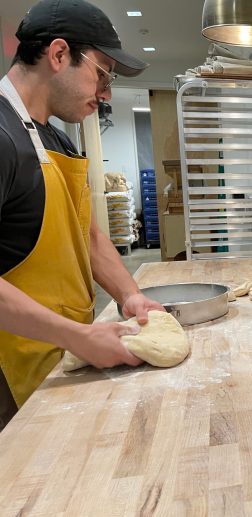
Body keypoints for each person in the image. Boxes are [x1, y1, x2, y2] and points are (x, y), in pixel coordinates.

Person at [0, 0, 164, 428]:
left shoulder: (57, 139)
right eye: (103, 74)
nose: (106, 94)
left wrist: (130, 296)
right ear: (58, 55)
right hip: (8, 370)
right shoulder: (1, 137)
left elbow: (87, 236)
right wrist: (80, 338)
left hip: (60, 353)